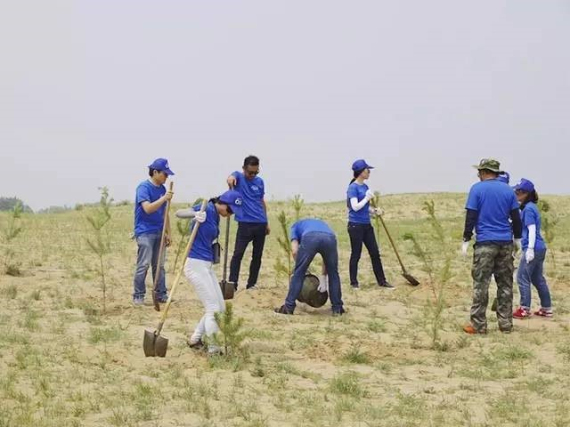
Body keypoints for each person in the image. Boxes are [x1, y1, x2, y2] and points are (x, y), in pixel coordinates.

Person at [176, 190, 244, 355]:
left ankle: (195, 339)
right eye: (230, 211)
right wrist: (195, 213)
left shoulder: (216, 215)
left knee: (219, 307)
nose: (230, 215)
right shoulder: (207, 208)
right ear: (223, 203)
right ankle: (214, 349)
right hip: (195, 265)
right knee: (213, 309)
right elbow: (179, 213)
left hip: (206, 265)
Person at [462, 159, 522, 334]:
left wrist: (466, 238)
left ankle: (479, 325)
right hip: (505, 243)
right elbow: (516, 218)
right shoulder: (508, 191)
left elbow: (471, 215)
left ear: (483, 172)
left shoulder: (477, 189)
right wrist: (517, 239)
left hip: (485, 243)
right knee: (505, 284)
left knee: (481, 284)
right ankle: (505, 325)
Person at [274, 218, 344, 316]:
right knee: (334, 274)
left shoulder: (295, 227)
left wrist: (302, 267)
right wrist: (323, 277)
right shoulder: (323, 224)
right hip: (330, 237)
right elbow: (326, 259)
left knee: (298, 273)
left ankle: (288, 307)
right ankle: (337, 309)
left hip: (310, 237)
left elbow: (294, 251)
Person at [132, 158, 174, 306]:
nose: (166, 177)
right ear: (155, 172)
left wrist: (168, 232)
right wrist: (164, 198)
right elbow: (148, 208)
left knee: (159, 266)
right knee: (143, 264)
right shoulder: (143, 188)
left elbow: (165, 213)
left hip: (159, 232)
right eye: (165, 174)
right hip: (144, 232)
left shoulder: (162, 190)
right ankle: (138, 296)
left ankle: (161, 294)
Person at [346, 159, 393, 290]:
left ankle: (382, 281)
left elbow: (364, 208)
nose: (369, 172)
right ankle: (354, 282)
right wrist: (366, 198)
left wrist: (374, 211)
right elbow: (355, 207)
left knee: (375, 253)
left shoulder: (365, 187)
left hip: (366, 225)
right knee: (356, 253)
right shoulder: (353, 188)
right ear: (361, 172)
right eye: (367, 170)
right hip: (355, 226)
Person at [226, 155, 269, 291]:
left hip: (260, 223)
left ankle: (251, 285)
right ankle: (233, 284)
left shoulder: (260, 182)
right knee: (238, 254)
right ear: (244, 168)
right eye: (250, 172)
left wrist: (266, 221)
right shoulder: (238, 177)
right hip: (245, 224)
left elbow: (261, 201)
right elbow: (230, 178)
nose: (252, 175)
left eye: (255, 172)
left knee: (257, 256)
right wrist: (230, 180)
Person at [512, 179, 553, 318]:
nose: (516, 194)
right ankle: (547, 308)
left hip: (533, 247)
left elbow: (531, 228)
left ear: (525, 193)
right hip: (540, 247)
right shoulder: (530, 207)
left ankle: (524, 308)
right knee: (537, 278)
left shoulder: (528, 209)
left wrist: (529, 249)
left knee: (522, 276)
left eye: (518, 192)